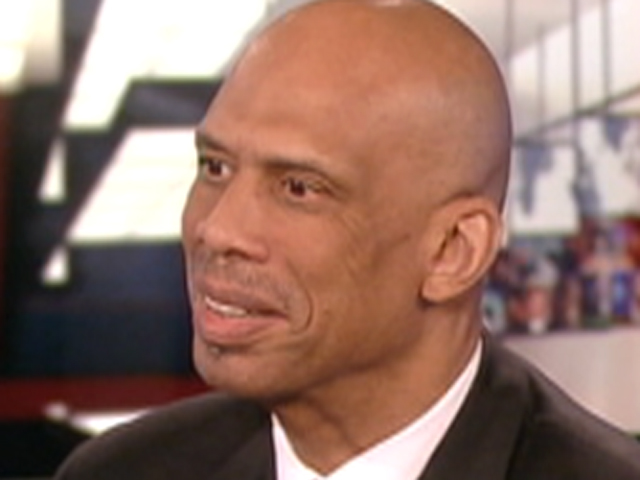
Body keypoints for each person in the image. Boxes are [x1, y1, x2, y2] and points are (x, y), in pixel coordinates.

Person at [54, 1, 640, 479]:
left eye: (299, 188)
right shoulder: (122, 471)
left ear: (452, 251)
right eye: (215, 167)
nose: (218, 229)